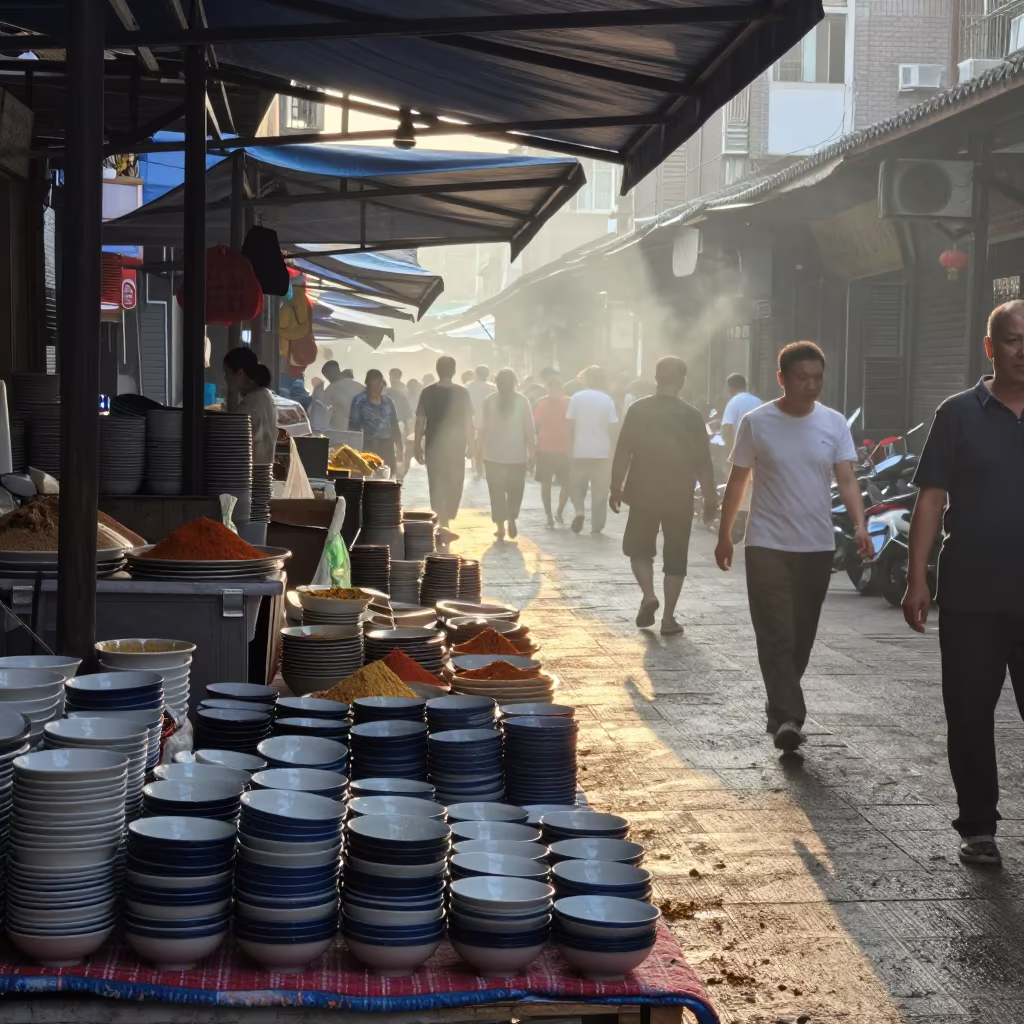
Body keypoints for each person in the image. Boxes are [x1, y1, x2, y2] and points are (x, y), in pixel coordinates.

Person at [903, 300, 1024, 867]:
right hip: (973, 590)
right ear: (990, 347)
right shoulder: (957, 413)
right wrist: (916, 578)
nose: (1022, 351)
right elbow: (930, 498)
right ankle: (978, 826)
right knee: (970, 711)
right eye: (1012, 340)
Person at [715, 341, 871, 753]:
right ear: (782, 378)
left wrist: (860, 525)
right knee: (775, 633)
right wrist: (725, 533)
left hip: (816, 545)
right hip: (766, 543)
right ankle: (789, 717)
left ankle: (779, 707)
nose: (811, 385)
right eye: (802, 377)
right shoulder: (757, 421)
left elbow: (848, 478)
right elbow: (738, 480)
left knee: (801, 634)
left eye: (817, 377)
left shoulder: (834, 423)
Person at [610, 356, 717, 636]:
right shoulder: (692, 415)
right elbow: (703, 460)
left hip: (643, 493)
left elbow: (623, 450)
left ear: (656, 378)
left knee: (638, 549)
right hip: (679, 495)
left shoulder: (638, 409)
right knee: (676, 556)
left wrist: (615, 487)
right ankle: (668, 619)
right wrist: (709, 498)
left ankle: (648, 595)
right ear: (682, 382)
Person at [415, 355, 475, 542]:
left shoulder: (427, 392)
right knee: (454, 483)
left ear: (437, 370)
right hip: (456, 446)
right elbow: (468, 422)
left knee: (437, 482)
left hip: (434, 446)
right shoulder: (462, 393)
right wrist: (472, 445)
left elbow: (420, 421)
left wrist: (417, 445)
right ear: (454, 371)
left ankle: (443, 521)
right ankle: (445, 522)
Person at [477, 368, 536, 541]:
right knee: (515, 490)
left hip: (493, 456)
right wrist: (532, 453)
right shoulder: (523, 401)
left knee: (496, 492)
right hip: (517, 456)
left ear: (496, 383)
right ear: (515, 383)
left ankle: (500, 527)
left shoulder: (489, 401)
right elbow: (529, 430)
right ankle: (511, 515)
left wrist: (478, 451)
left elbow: (482, 429)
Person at [566, 366, 618, 534]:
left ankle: (580, 512)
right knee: (600, 493)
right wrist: (613, 451)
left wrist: (569, 449)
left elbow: (570, 426)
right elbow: (612, 428)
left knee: (576, 487)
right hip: (602, 453)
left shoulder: (576, 398)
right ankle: (597, 526)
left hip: (579, 451)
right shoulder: (607, 400)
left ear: (587, 380)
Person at [720, 373, 763, 542]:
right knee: (752, 493)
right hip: (757, 455)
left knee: (736, 490)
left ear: (730, 387)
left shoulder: (733, 402)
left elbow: (726, 428)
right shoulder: (758, 402)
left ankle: (736, 528)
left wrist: (732, 451)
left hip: (740, 456)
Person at [223, 346, 278, 469]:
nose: (225, 378)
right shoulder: (265, 396)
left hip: (250, 477)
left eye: (226, 372)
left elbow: (236, 442)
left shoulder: (252, 403)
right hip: (262, 474)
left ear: (240, 373)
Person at [533, 373, 572, 527]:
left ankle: (551, 515)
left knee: (547, 484)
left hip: (547, 448)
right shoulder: (570, 402)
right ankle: (557, 513)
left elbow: (534, 424)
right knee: (565, 484)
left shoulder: (542, 403)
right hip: (562, 449)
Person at [349, 369, 403, 474]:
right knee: (368, 477)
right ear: (369, 383)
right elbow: (353, 426)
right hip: (368, 445)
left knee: (388, 477)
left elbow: (394, 425)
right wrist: (353, 451)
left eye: (381, 382)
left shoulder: (388, 401)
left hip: (387, 446)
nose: (381, 385)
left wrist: (400, 448)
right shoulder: (359, 400)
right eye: (377, 382)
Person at [311, 361, 363, 431]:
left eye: (327, 377)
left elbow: (320, 415)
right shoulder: (360, 387)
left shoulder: (331, 390)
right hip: (362, 433)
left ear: (329, 374)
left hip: (340, 434)